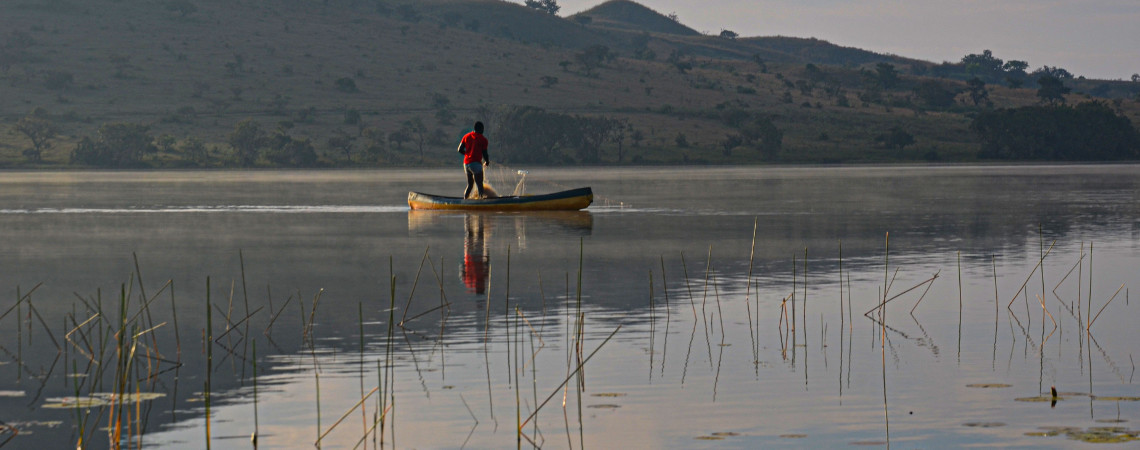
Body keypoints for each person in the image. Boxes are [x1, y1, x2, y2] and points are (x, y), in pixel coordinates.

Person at [458, 121, 490, 199]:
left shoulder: (466, 136)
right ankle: (481, 201)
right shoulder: (483, 139)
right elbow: (485, 153)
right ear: (481, 129)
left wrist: (467, 154)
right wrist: (487, 161)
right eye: (483, 129)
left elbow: (460, 149)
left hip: (466, 164)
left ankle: (465, 200)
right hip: (476, 164)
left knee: (470, 185)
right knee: (479, 184)